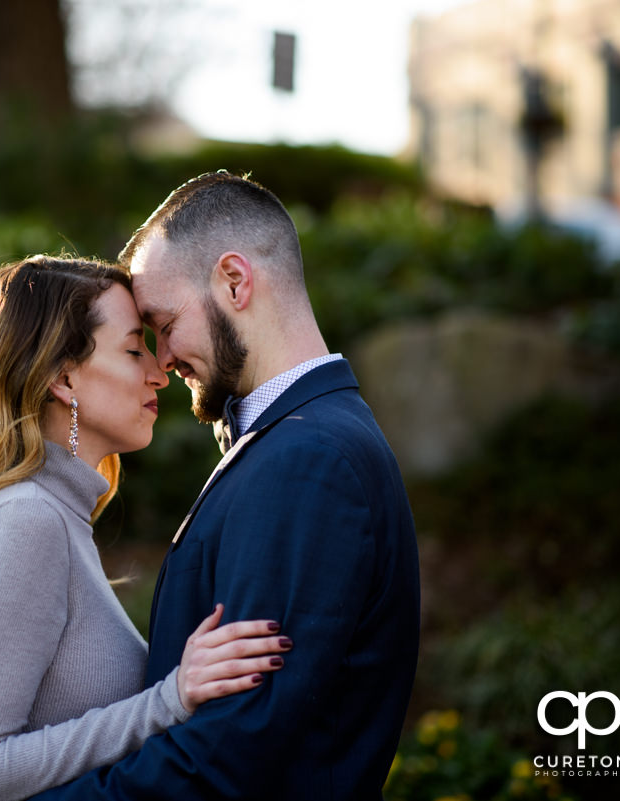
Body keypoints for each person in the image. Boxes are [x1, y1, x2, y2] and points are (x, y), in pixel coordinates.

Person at [30, 172, 421, 800]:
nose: (161, 362)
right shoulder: (298, 438)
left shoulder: (307, 459)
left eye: (163, 323)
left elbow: (229, 757)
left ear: (235, 281)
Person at [0, 256, 293, 801]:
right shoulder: (27, 518)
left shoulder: (54, 514)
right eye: (132, 349)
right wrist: (168, 700)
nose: (158, 371)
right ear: (62, 378)